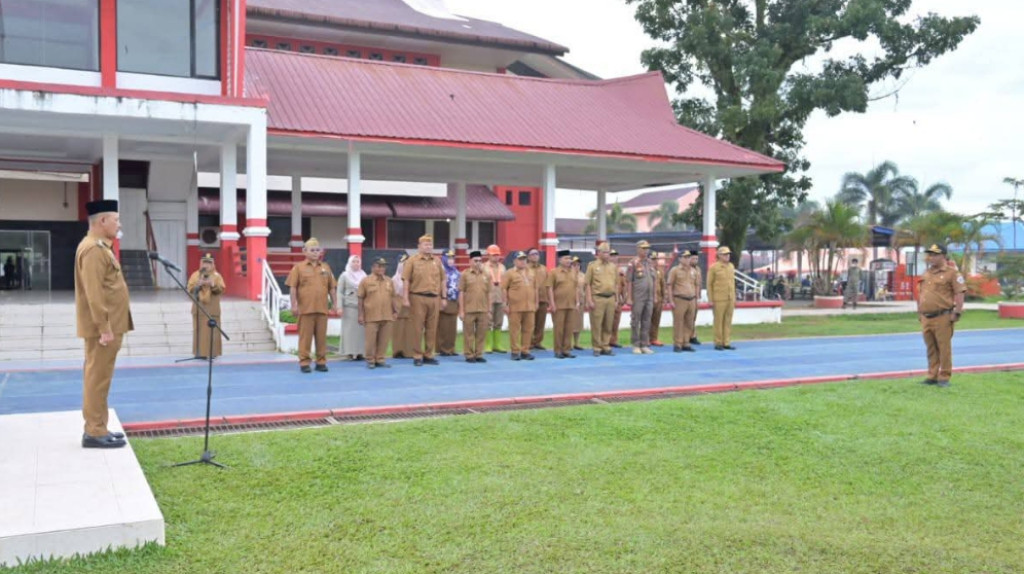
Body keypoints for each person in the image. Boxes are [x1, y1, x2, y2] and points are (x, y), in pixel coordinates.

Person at [75, 199, 133, 448]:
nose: (119, 224)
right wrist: (104, 327)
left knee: (100, 378)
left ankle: (99, 426)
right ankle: (94, 431)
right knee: (97, 378)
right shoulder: (94, 250)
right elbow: (94, 293)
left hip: (110, 325)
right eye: (116, 220)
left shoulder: (100, 247)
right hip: (104, 328)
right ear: (102, 221)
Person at [917, 244, 966, 387]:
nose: (931, 258)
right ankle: (932, 375)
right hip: (926, 316)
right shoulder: (927, 273)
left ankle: (944, 377)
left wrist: (957, 311)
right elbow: (922, 293)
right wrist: (920, 312)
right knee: (931, 348)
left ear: (943, 256)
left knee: (944, 348)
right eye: (930, 255)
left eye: (935, 255)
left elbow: (960, 292)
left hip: (942, 316)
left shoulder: (952, 273)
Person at [285, 238, 337, 373]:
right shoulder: (298, 268)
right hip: (305, 309)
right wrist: (294, 305)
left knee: (321, 338)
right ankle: (304, 362)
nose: (315, 252)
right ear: (304, 251)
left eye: (317, 250)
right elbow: (293, 288)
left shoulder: (326, 267)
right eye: (312, 250)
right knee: (305, 339)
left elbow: (332, 288)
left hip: (322, 309)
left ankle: (321, 362)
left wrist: (335, 304)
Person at [402, 234, 445, 366]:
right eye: (425, 244)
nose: (428, 247)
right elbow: (406, 280)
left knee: (432, 328)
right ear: (419, 246)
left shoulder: (437, 261)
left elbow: (443, 279)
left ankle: (429, 354)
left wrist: (443, 297)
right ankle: (417, 355)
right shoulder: (412, 260)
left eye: (430, 244)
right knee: (417, 328)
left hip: (434, 298)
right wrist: (405, 297)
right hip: (417, 297)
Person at [358, 257, 398, 369]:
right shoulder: (366, 281)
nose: (382, 269)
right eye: (379, 266)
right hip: (371, 315)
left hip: (387, 315)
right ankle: (370, 360)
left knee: (384, 340)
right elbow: (360, 299)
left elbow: (393, 297)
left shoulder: (389, 281)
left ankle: (380, 359)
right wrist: (360, 315)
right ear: (373, 267)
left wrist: (395, 311)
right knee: (370, 341)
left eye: (383, 266)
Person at [186, 253, 226, 358]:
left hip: (212, 309)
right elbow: (189, 289)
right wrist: (197, 285)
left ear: (213, 264)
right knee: (199, 331)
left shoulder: (217, 276)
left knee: (212, 333)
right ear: (201, 263)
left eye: (209, 263)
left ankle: (212, 353)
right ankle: (199, 353)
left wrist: (212, 284)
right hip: (199, 309)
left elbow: (221, 289)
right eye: (204, 262)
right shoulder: (195, 275)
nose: (206, 265)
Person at [501, 251, 537, 360]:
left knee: (528, 329)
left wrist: (536, 302)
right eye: (520, 259)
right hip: (515, 307)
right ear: (514, 261)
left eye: (524, 259)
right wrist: (505, 304)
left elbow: (535, 288)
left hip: (529, 306)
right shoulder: (509, 273)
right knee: (515, 330)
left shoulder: (531, 272)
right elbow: (503, 289)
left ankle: (525, 351)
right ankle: (515, 351)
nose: (523, 261)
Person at [584, 243, 618, 357]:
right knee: (597, 324)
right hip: (598, 298)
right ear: (599, 253)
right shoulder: (592, 266)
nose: (607, 254)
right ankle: (596, 347)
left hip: (610, 298)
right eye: (605, 252)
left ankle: (605, 346)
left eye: (608, 252)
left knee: (608, 324)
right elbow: (587, 284)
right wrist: (589, 299)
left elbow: (616, 284)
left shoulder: (613, 266)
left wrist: (616, 299)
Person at [459, 250, 491, 363]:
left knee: (481, 333)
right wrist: (461, 310)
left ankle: (479, 354)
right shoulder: (465, 274)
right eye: (475, 260)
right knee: (468, 334)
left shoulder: (486, 275)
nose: (478, 263)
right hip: (469, 309)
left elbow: (489, 293)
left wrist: (489, 310)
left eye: (480, 261)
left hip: (483, 309)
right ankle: (469, 354)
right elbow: (461, 292)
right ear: (470, 261)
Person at [666, 250, 701, 352]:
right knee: (679, 323)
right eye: (685, 257)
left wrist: (696, 298)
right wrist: (670, 300)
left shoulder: (694, 271)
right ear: (680, 259)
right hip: (679, 299)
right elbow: (669, 285)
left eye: (688, 257)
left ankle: (686, 343)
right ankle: (678, 344)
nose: (687, 259)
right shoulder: (675, 270)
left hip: (691, 299)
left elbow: (696, 285)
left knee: (689, 323)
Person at [547, 249, 579, 359]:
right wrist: (552, 303)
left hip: (571, 304)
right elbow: (549, 288)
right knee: (559, 329)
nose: (568, 260)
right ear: (560, 260)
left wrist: (577, 301)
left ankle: (566, 350)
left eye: (569, 258)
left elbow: (576, 287)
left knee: (569, 328)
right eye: (566, 258)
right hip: (559, 304)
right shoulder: (553, 272)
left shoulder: (573, 271)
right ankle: (558, 350)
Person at [626, 240, 656, 355]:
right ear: (638, 249)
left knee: (647, 320)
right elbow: (629, 281)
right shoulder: (633, 263)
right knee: (636, 320)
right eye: (643, 248)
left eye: (647, 248)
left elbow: (654, 280)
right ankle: (636, 344)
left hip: (649, 296)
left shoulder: (649, 263)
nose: (646, 250)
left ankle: (644, 344)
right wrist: (629, 297)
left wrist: (654, 296)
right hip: (638, 296)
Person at [707, 245, 737, 351]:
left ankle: (726, 342)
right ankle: (718, 342)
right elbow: (709, 284)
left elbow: (732, 283)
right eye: (724, 254)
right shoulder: (714, 267)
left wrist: (734, 297)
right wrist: (710, 299)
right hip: (719, 298)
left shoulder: (731, 266)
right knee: (718, 321)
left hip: (730, 298)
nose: (727, 256)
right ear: (719, 255)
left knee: (728, 321)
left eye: (728, 254)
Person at [337, 255, 366, 360]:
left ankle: (360, 352)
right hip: (349, 307)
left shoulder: (364, 275)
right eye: (354, 261)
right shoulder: (344, 275)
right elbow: (339, 292)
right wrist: (339, 307)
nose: (356, 263)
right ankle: (348, 352)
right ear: (349, 263)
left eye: (358, 261)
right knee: (349, 331)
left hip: (361, 307)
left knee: (361, 331)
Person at [437, 250, 461, 356]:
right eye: (448, 258)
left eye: (452, 258)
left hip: (454, 301)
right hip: (443, 300)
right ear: (443, 259)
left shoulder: (457, 272)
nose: (451, 261)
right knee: (443, 326)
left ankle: (451, 348)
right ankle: (442, 348)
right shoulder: (440, 271)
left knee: (452, 327)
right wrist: (441, 299)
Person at [391, 254, 414, 359]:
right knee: (398, 329)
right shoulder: (394, 279)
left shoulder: (413, 278)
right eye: (403, 263)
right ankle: (398, 351)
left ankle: (409, 351)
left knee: (410, 329)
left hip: (411, 305)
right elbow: (392, 295)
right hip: (398, 306)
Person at [484, 244, 507, 353]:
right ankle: (488, 345)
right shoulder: (483, 267)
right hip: (488, 298)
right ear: (488, 255)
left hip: (500, 297)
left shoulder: (503, 267)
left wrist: (506, 300)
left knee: (499, 321)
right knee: (488, 322)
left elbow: (505, 284)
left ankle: (497, 344)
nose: (496, 257)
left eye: (497, 255)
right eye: (493, 255)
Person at [527, 248, 549, 351]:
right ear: (528, 257)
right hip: (530, 299)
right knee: (530, 323)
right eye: (532, 254)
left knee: (541, 322)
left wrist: (549, 299)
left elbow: (548, 284)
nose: (535, 255)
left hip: (543, 299)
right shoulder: (526, 268)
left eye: (537, 254)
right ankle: (529, 342)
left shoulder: (544, 269)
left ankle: (538, 342)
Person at [648, 252, 667, 347]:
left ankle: (654, 338)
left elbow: (663, 285)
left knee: (656, 320)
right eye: (652, 259)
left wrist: (664, 297)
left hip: (658, 298)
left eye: (656, 259)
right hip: (648, 299)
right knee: (647, 320)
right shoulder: (645, 271)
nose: (654, 261)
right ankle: (646, 338)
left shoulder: (659, 271)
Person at [688, 251, 703, 345]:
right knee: (688, 318)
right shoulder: (686, 269)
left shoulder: (698, 269)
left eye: (697, 259)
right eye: (693, 258)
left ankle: (693, 335)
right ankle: (688, 336)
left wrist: (699, 295)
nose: (695, 260)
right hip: (688, 296)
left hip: (695, 296)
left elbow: (699, 283)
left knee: (693, 317)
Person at [571, 256, 586, 351]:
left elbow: (586, 288)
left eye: (578, 265)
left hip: (580, 302)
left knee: (579, 323)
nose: (576, 267)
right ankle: (568, 342)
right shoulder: (569, 275)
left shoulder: (583, 276)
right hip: (570, 301)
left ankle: (576, 343)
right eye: (574, 265)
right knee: (570, 323)